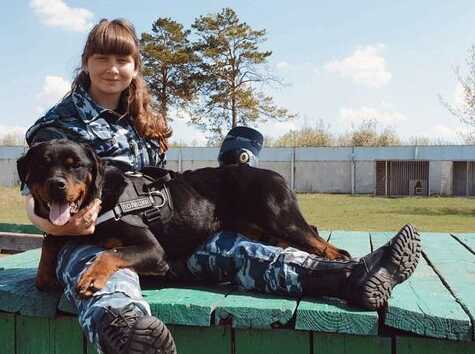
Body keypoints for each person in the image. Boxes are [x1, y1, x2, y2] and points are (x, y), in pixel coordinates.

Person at [23, 18, 421, 354]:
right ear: (86, 63)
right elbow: (34, 198)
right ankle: (128, 337)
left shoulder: (144, 119)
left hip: (164, 238)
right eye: (102, 58)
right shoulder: (58, 127)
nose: (112, 68)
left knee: (246, 254)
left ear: (134, 65)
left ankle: (351, 276)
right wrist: (58, 226)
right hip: (85, 236)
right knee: (104, 276)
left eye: (122, 59)